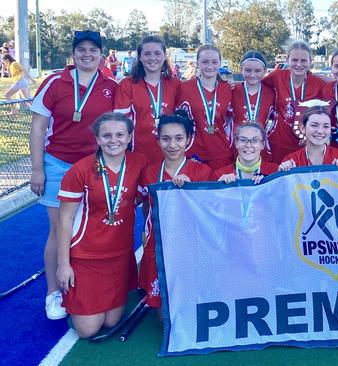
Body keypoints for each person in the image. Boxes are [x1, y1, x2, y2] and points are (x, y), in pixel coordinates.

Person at [29, 30, 118, 320]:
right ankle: (53, 293)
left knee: (91, 227)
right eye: (82, 49)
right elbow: (38, 128)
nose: (87, 54)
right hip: (57, 164)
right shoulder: (55, 82)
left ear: (101, 54)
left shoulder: (111, 85)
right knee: (59, 231)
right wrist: (37, 169)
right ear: (74, 53)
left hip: (94, 165)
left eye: (93, 49)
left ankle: (84, 284)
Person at [56, 113, 148, 338]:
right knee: (88, 331)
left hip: (119, 254)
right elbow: (65, 219)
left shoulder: (139, 162)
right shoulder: (81, 169)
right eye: (106, 135)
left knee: (111, 322)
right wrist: (63, 265)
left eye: (119, 134)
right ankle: (73, 305)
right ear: (97, 139)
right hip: (86, 255)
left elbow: (147, 192)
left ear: (129, 137)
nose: (113, 140)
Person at [139, 110, 213, 310]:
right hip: (159, 243)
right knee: (164, 315)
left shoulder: (202, 171)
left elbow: (208, 213)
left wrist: (190, 192)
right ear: (158, 140)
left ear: (189, 139)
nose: (172, 145)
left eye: (179, 138)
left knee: (189, 307)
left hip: (191, 245)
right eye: (166, 139)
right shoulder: (149, 172)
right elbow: (145, 204)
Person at [114, 35, 180, 163]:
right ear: (139, 57)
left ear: (165, 56)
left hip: (169, 157)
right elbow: (120, 124)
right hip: (136, 157)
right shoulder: (127, 85)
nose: (152, 58)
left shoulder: (175, 84)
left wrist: (220, 81)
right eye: (147, 54)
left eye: (157, 53)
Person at [263, 40, 327, 163]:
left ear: (310, 61)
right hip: (278, 142)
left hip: (306, 145)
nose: (299, 64)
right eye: (294, 60)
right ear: (287, 60)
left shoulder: (318, 84)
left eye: (303, 61)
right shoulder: (277, 76)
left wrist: (315, 74)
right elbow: (254, 82)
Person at [176, 45, 233, 170]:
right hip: (193, 153)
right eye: (205, 62)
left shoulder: (229, 89)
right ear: (197, 63)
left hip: (221, 152)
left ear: (220, 63)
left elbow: (231, 121)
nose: (210, 66)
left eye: (214, 62)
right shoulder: (183, 88)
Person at [230, 51, 275, 161]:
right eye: (248, 70)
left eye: (257, 71)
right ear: (241, 69)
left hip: (260, 145)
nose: (252, 74)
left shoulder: (271, 92)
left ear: (265, 71)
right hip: (238, 145)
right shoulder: (232, 90)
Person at [278, 105, 338, 170]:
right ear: (302, 128)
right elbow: (285, 185)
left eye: (326, 126)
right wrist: (285, 173)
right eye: (314, 125)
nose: (320, 131)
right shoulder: (291, 160)